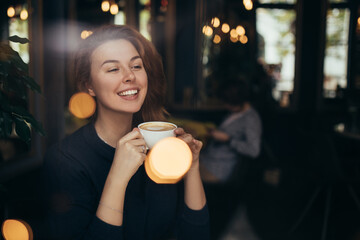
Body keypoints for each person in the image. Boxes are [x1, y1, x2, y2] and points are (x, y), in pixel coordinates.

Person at [38, 25, 209, 240]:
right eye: (113, 69)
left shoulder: (159, 149)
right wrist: (118, 176)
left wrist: (192, 167)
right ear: (88, 85)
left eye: (136, 66)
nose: (130, 76)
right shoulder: (65, 161)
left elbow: (196, 235)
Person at [199, 78, 262, 183]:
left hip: (218, 169)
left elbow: (254, 151)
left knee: (181, 175)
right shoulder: (235, 113)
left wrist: (228, 139)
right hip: (208, 160)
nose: (225, 105)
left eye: (226, 102)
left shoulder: (251, 119)